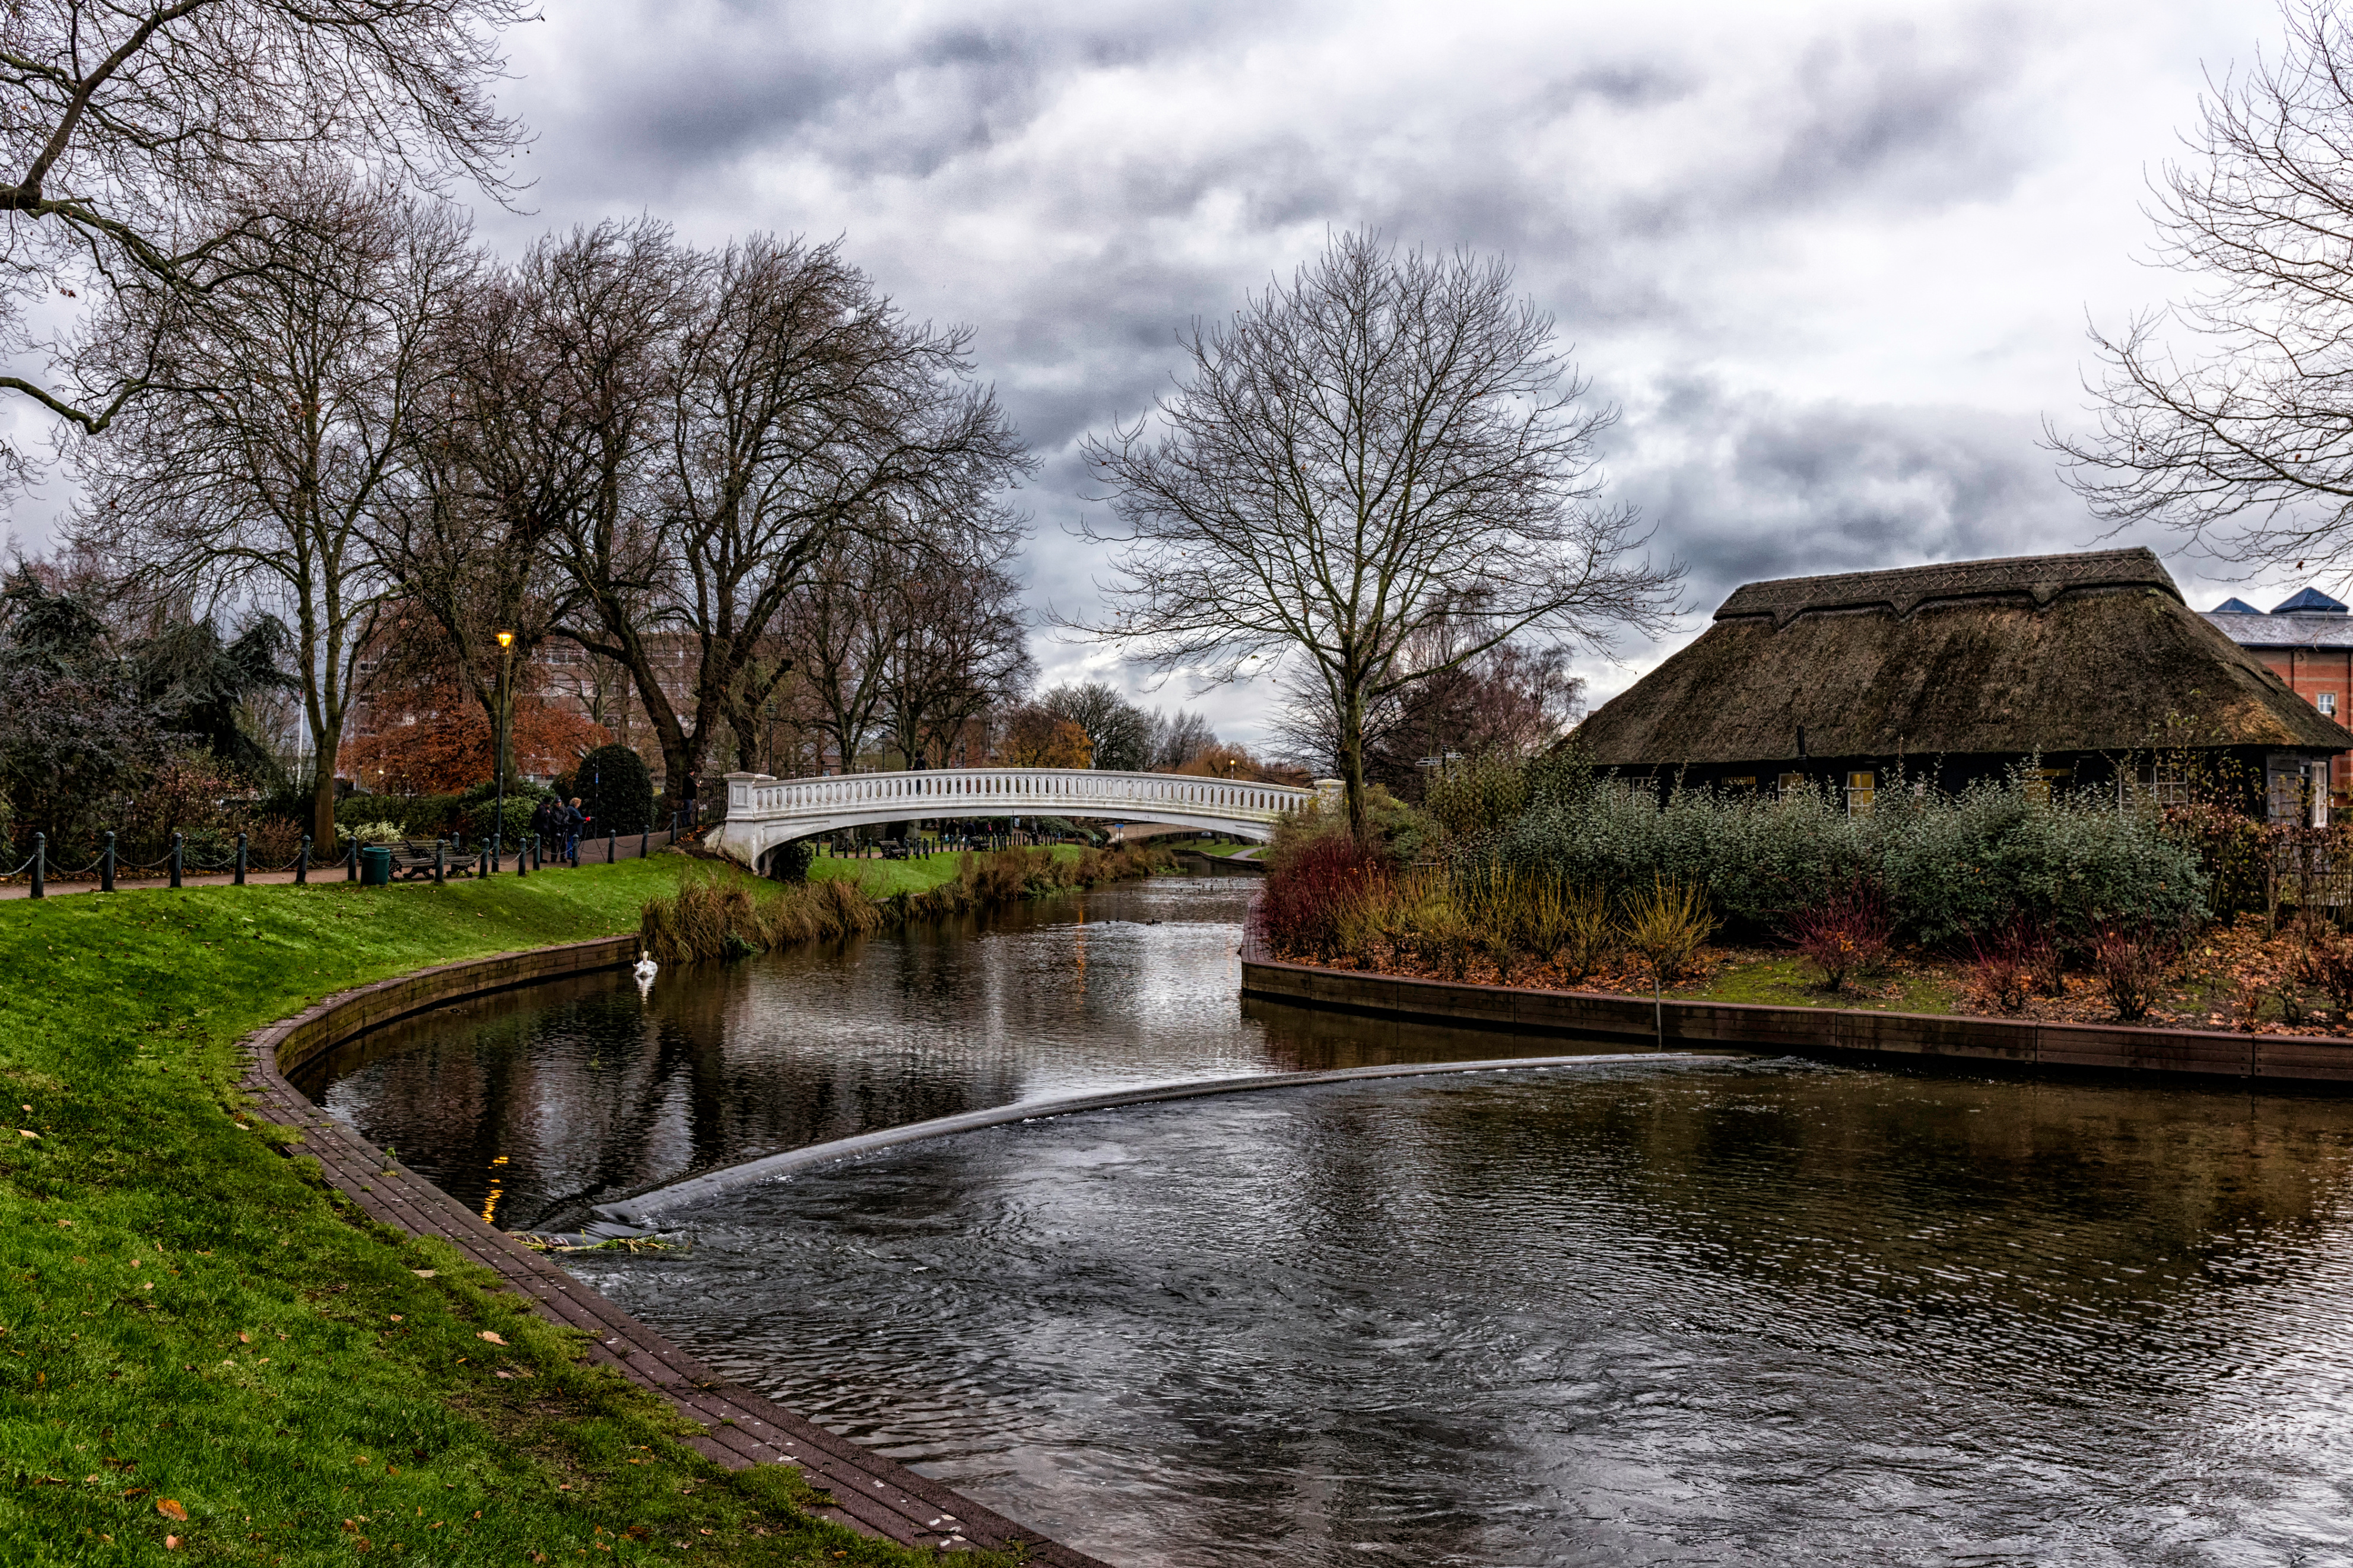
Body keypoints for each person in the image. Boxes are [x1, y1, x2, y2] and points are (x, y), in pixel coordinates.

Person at [529, 795, 557, 863]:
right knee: (540, 843)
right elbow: (543, 817)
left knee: (539, 843)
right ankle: (539, 858)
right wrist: (548, 814)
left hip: (538, 828)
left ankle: (539, 857)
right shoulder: (542, 809)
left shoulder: (540, 808)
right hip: (540, 829)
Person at [565, 796, 589, 867]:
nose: (579, 805)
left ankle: (572, 854)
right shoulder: (573, 810)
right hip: (573, 828)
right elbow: (578, 818)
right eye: (578, 804)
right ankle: (571, 855)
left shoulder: (570, 809)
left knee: (571, 841)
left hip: (572, 827)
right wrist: (586, 819)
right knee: (572, 841)